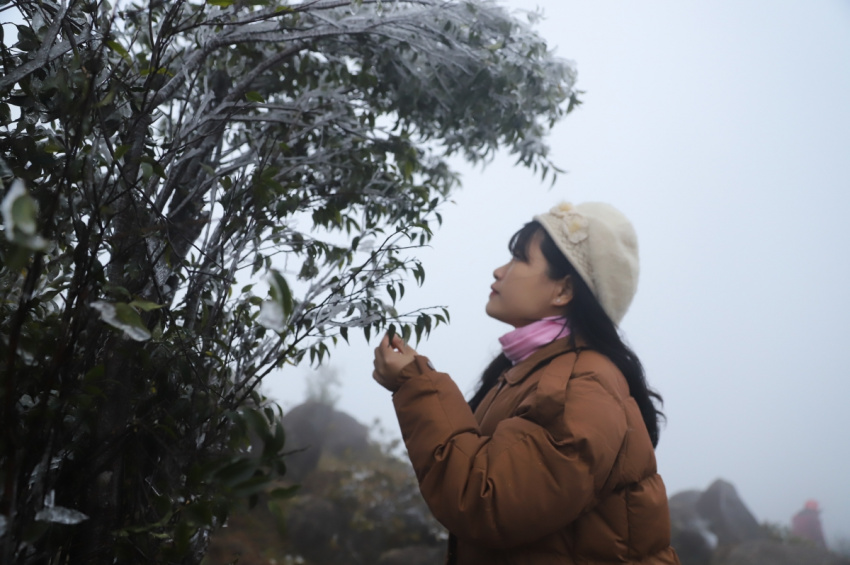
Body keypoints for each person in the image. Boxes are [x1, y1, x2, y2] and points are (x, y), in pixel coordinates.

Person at [373, 202, 680, 564]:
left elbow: (488, 501)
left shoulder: (581, 384)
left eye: (519, 259)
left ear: (563, 291)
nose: (499, 271)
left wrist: (415, 387)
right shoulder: (537, 370)